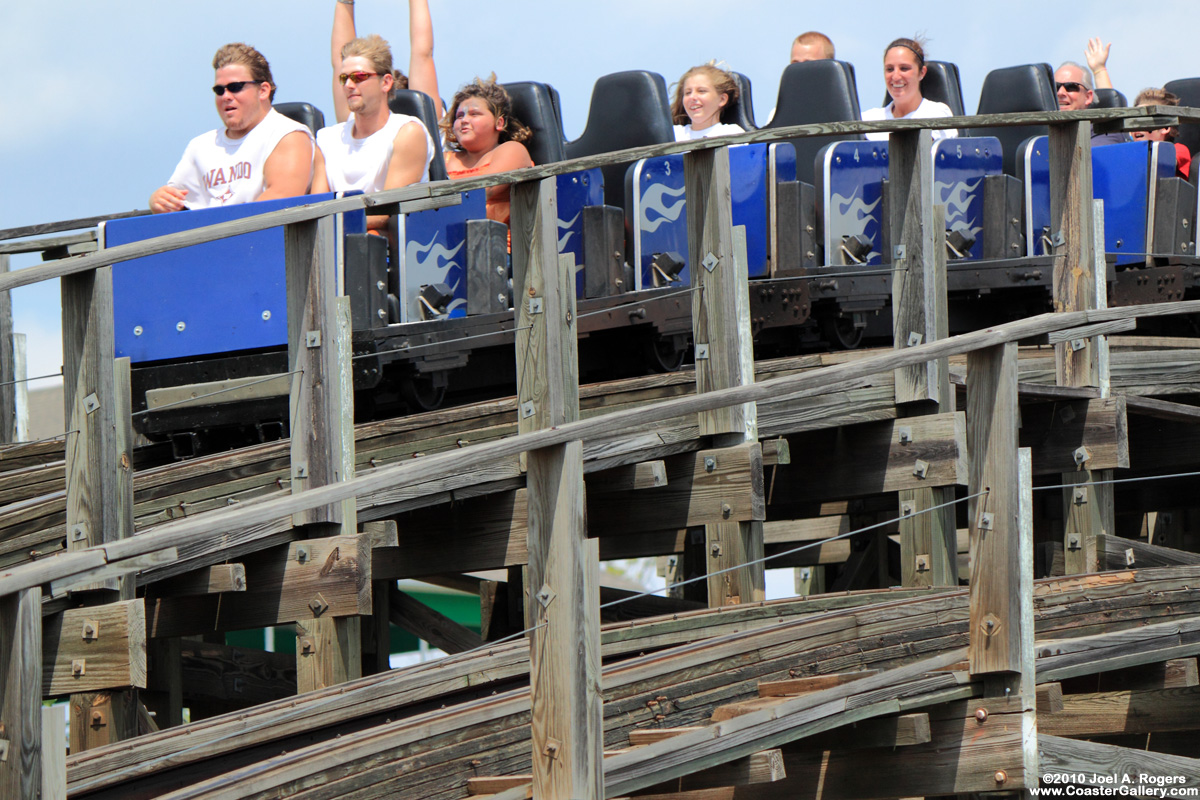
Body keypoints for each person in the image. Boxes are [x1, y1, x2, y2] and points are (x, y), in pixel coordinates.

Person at [312, 3, 437, 233]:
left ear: (386, 82)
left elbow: (385, 212)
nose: (349, 85)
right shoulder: (327, 139)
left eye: (359, 77)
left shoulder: (407, 132)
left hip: (388, 251)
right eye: (343, 78)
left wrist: (332, 223)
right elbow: (317, 208)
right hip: (334, 245)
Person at [150, 44, 314, 213]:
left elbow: (279, 204)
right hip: (211, 236)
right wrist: (159, 201)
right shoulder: (200, 146)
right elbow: (174, 207)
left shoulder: (287, 135)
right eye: (219, 90)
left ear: (263, 90)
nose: (226, 96)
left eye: (235, 87)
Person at [439, 76, 534, 226]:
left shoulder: (512, 150)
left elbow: (483, 191)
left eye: (474, 114)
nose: (464, 120)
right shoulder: (444, 159)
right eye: (459, 116)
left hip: (498, 244)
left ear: (499, 123)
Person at [861, 38, 957, 142]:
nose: (896, 77)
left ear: (922, 73)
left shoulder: (937, 113)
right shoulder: (868, 118)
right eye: (889, 69)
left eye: (904, 68)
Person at [1054, 60, 1126, 145]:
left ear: (1088, 97)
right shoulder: (1040, 133)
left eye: (1071, 87)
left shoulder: (1107, 133)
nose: (1060, 93)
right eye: (1056, 87)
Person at [671, 63, 745, 141]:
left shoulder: (732, 134)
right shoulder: (673, 134)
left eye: (701, 91)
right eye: (688, 93)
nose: (692, 97)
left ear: (722, 99)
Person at [1131, 88, 1192, 180]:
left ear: (1165, 128)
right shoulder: (1128, 152)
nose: (1136, 126)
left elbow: (1161, 163)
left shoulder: (1178, 150)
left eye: (1143, 120)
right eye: (1133, 121)